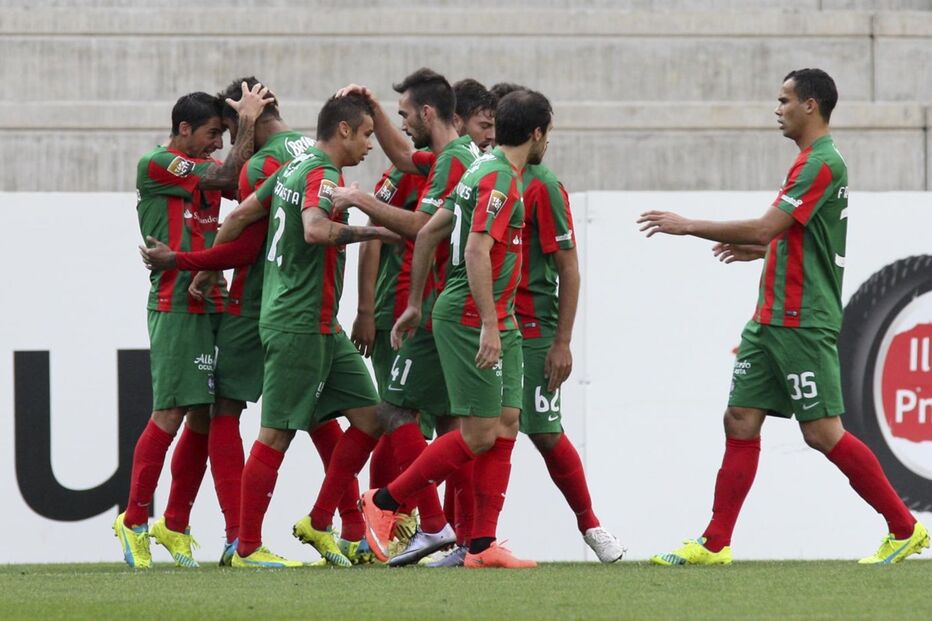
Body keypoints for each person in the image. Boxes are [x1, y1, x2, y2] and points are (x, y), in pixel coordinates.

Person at [638, 68, 929, 565]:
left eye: (784, 100)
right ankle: (714, 544)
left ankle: (905, 528)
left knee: (821, 433)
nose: (777, 109)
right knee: (740, 419)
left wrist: (688, 226)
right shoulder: (805, 163)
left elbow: (768, 225)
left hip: (801, 318)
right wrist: (761, 252)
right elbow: (790, 234)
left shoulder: (822, 162)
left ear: (811, 105)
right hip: (770, 315)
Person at [139, 77, 370, 566]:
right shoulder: (311, 151)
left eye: (228, 132)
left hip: (260, 301)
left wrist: (199, 266)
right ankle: (346, 528)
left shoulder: (264, 163)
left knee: (226, 408)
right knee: (316, 413)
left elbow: (241, 221)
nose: (225, 147)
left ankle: (234, 536)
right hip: (310, 306)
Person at [188, 93, 396, 568]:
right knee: (275, 435)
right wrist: (379, 231)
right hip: (297, 322)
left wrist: (206, 271)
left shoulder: (289, 169)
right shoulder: (320, 172)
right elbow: (316, 231)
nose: (370, 144)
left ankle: (319, 521)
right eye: (366, 134)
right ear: (343, 130)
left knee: (372, 418)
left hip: (322, 325)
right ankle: (246, 547)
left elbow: (238, 215)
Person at [360, 88, 555, 569]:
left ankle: (481, 545)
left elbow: (428, 233)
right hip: (472, 316)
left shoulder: (480, 170)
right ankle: (384, 502)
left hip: (493, 314)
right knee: (477, 433)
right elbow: (473, 250)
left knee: (506, 422)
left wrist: (412, 304)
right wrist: (489, 323)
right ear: (536, 134)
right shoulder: (500, 181)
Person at [113, 85, 271, 569]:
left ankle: (182, 526)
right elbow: (229, 179)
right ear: (183, 129)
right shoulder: (158, 162)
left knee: (207, 419)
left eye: (223, 134)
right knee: (171, 414)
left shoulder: (195, 165)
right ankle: (134, 519)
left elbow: (229, 182)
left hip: (211, 297)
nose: (217, 144)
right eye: (211, 133)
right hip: (175, 301)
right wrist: (247, 122)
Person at [329, 69, 482, 566]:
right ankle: (470, 539)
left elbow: (421, 228)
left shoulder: (452, 163)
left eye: (404, 115)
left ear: (429, 113)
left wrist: (358, 200)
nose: (402, 125)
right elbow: (400, 155)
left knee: (394, 410)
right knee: (457, 423)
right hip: (446, 304)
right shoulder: (451, 156)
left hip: (444, 306)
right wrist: (372, 105)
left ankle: (425, 523)